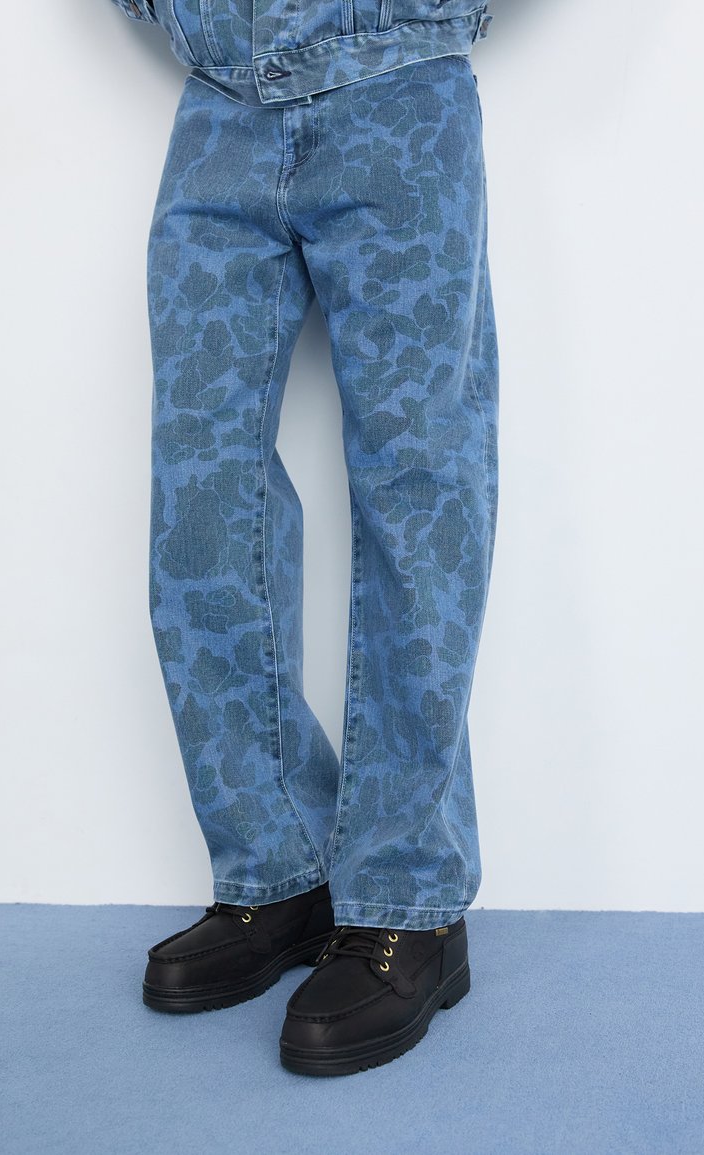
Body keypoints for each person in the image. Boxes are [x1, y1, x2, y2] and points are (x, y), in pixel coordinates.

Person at [108, 0, 498, 1076]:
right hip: (217, 110)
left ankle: (411, 901)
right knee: (201, 496)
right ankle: (277, 870)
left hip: (398, 94)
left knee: (418, 493)